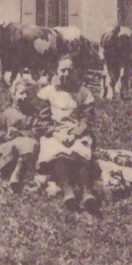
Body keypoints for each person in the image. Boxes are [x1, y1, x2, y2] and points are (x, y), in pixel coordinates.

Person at [36, 57, 99, 211]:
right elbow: (43, 122)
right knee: (57, 152)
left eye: (69, 70)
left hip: (76, 132)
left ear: (75, 71)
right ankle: (68, 191)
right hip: (55, 133)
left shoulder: (83, 93)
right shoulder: (48, 92)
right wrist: (57, 135)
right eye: (62, 70)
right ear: (56, 71)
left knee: (81, 152)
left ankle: (86, 192)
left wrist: (75, 135)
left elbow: (87, 120)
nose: (66, 73)